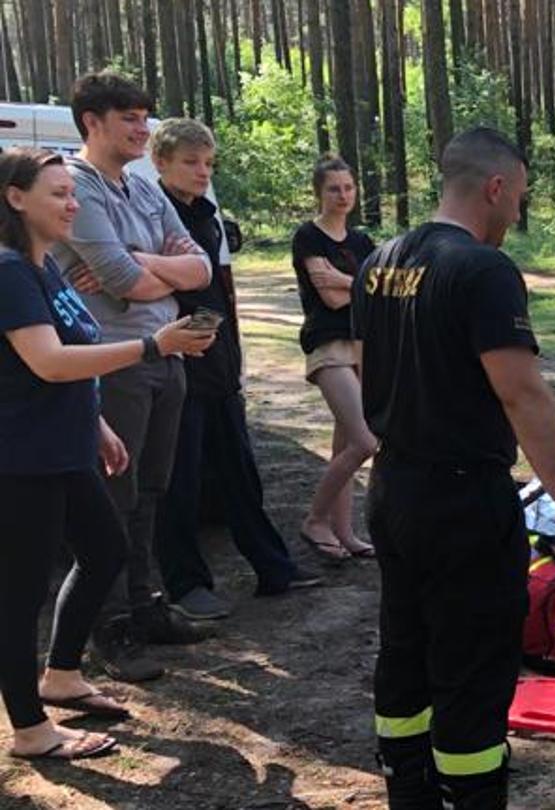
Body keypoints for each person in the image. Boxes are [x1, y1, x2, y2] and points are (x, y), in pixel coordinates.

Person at [355, 127, 555, 809]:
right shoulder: (482, 271)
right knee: (471, 669)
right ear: (495, 188)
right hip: (463, 502)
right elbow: (521, 391)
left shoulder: (377, 262)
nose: (517, 214)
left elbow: (366, 371)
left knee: (404, 648)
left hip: (393, 489)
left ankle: (407, 790)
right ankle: (471, 796)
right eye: (519, 198)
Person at [0, 147, 216, 760]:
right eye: (57, 194)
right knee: (18, 594)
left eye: (73, 193)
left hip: (65, 446)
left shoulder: (45, 269)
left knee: (105, 550)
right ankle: (30, 730)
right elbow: (46, 361)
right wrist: (153, 346)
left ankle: (62, 674)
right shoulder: (10, 271)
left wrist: (96, 424)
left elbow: (65, 358)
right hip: (21, 459)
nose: (72, 204)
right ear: (15, 198)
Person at [51, 71, 214, 683]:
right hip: (113, 360)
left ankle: (145, 607)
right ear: (93, 122)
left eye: (146, 118)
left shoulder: (143, 190)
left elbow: (198, 266)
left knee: (152, 490)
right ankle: (110, 624)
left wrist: (145, 262)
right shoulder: (78, 188)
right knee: (114, 496)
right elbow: (125, 284)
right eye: (131, 119)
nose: (144, 129)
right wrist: (150, 271)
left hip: (164, 355)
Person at [150, 118, 321, 620]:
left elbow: (216, 288)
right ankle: (186, 585)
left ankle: (274, 567)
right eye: (191, 163)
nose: (203, 172)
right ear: (160, 163)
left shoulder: (205, 211)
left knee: (239, 474)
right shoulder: (153, 213)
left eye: (208, 163)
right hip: (179, 361)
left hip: (219, 362)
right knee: (179, 482)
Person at [291, 157, 378, 561]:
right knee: (365, 440)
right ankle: (315, 519)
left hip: (362, 345)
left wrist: (347, 282)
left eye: (348, 187)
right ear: (318, 192)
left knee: (345, 443)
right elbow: (328, 298)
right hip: (328, 345)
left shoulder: (362, 243)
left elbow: (380, 295)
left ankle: (345, 534)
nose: (343, 196)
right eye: (333, 189)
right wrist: (359, 287)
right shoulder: (308, 236)